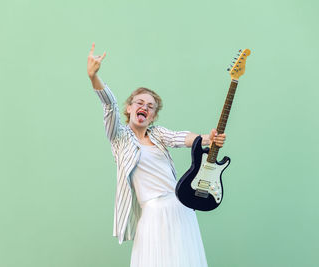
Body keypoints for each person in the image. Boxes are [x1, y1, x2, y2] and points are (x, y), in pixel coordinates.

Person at [87, 43, 226, 267]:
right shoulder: (120, 138)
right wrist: (94, 76)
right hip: (152, 213)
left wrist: (208, 138)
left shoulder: (159, 134)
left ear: (152, 117)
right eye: (139, 103)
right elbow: (109, 106)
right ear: (130, 109)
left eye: (150, 107)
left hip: (181, 208)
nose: (145, 107)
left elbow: (182, 138)